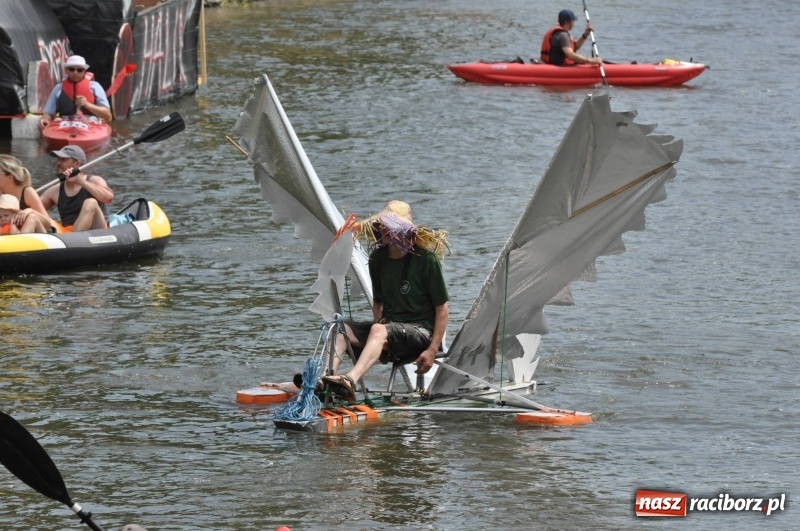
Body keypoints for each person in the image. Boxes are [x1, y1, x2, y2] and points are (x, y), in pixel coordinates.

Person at [321, 200, 450, 402]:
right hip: (391, 331)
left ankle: (350, 381)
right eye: (383, 226)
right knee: (341, 328)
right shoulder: (377, 259)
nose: (384, 230)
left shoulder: (427, 261)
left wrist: (432, 350)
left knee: (378, 330)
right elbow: (378, 303)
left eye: (389, 226)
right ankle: (325, 381)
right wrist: (378, 334)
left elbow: (442, 309)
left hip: (421, 333)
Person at [40, 145, 114, 232]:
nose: (58, 163)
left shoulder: (95, 180)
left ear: (77, 164)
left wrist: (80, 181)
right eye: (58, 159)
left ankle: (73, 238)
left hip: (97, 229)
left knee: (90, 202)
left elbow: (108, 198)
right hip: (67, 232)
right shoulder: (54, 190)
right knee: (32, 214)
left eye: (63, 160)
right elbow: (34, 206)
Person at [40, 55, 112, 129]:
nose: (75, 73)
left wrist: (87, 105)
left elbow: (108, 116)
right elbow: (48, 113)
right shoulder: (58, 88)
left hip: (90, 122)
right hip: (64, 122)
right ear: (66, 70)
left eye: (79, 70)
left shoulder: (95, 87)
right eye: (72, 69)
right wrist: (45, 119)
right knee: (57, 120)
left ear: (84, 71)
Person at [0, 154, 55, 231]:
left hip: (37, 235)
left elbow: (48, 223)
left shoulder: (27, 192)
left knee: (31, 217)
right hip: (9, 233)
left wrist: (30, 211)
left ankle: (19, 242)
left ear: (10, 177)